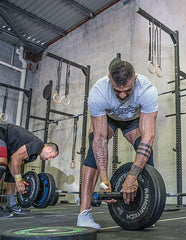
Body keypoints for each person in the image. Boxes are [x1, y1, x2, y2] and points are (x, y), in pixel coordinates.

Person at [77, 60, 158, 230]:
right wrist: (104, 180)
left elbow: (148, 137)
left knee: (145, 150)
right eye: (117, 91)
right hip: (109, 120)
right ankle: (84, 213)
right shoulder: (98, 92)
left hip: (133, 121)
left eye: (127, 91)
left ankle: (149, 208)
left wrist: (132, 176)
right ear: (109, 80)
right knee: (94, 147)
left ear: (135, 79)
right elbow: (99, 139)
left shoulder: (147, 90)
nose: (122, 95)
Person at [0, 123, 59, 217]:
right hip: (2, 133)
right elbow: (16, 157)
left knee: (11, 174)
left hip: (8, 145)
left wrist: (20, 180)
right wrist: (19, 180)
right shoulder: (38, 144)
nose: (49, 160)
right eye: (51, 156)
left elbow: (12, 165)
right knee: (1, 166)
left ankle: (11, 205)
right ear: (48, 148)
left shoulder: (33, 156)